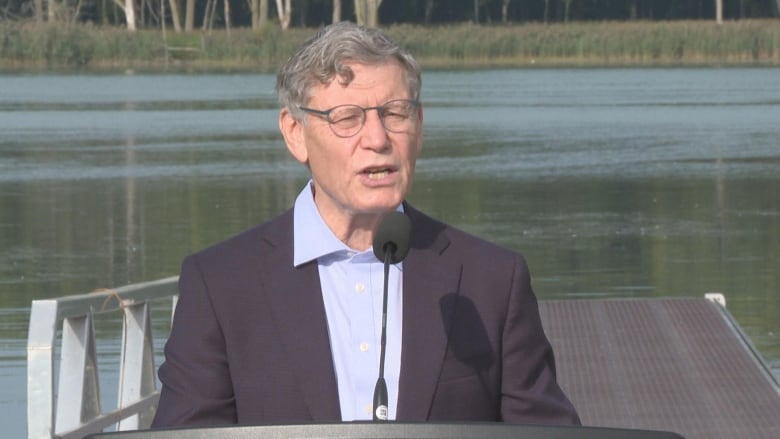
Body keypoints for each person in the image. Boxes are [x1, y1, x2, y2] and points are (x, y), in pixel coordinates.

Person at [152, 21, 579, 427]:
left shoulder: (492, 280)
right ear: (295, 133)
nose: (377, 139)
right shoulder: (221, 284)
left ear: (420, 124)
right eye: (347, 118)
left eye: (395, 113)